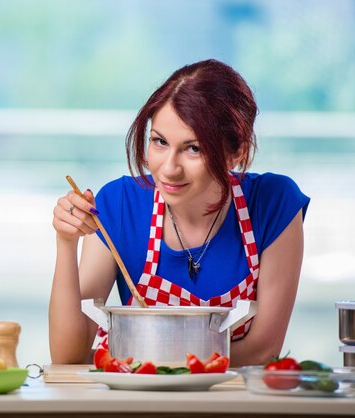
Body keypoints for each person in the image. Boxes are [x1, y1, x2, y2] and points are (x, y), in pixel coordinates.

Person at [49, 59, 310, 367]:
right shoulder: (119, 205)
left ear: (236, 151)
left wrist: (153, 363)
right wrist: (66, 242)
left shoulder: (274, 203)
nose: (169, 169)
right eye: (159, 142)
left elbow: (262, 350)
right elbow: (69, 354)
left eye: (193, 149)